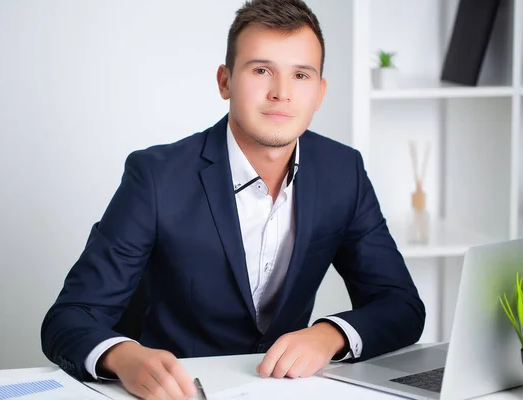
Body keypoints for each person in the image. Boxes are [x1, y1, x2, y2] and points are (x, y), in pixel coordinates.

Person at [41, 0, 426, 399]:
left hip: (287, 391)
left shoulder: (342, 171)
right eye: (261, 70)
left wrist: (330, 335)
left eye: (300, 75)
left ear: (319, 93)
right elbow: (69, 317)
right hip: (179, 393)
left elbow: (400, 305)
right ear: (225, 81)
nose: (281, 93)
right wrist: (123, 356)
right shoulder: (156, 176)